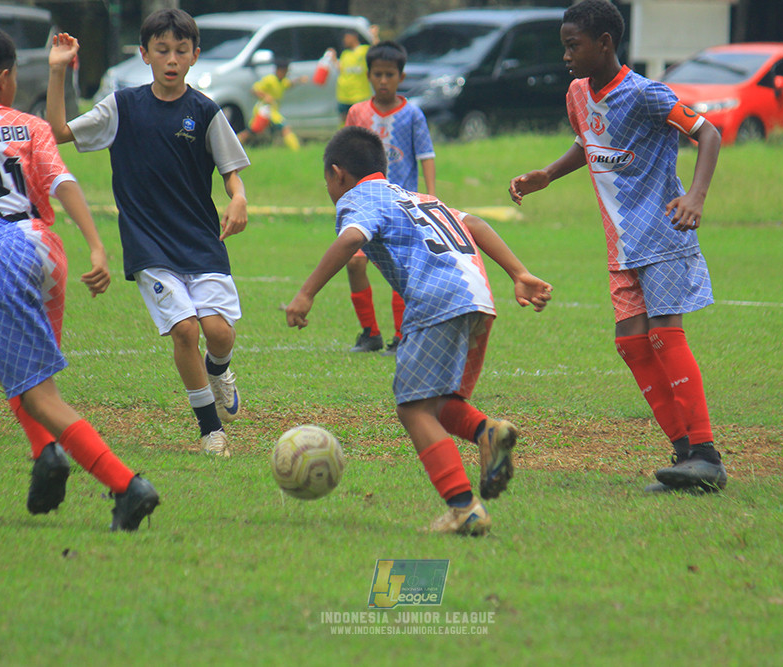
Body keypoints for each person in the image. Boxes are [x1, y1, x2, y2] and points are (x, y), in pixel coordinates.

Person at [0, 24, 159, 531]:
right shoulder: (29, 126)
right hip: (46, 249)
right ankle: (46, 454)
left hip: (0, 256)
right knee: (4, 368)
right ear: (5, 78)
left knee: (39, 396)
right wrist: (96, 244)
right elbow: (62, 181)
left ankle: (127, 487)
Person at [286, 126, 553, 535]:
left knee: (412, 408)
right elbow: (474, 224)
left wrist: (306, 294)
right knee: (438, 402)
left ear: (338, 174)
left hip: (437, 300)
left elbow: (351, 240)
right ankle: (488, 431)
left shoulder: (357, 199)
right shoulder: (415, 196)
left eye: (327, 181)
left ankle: (464, 508)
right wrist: (518, 272)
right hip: (476, 296)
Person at [508, 0, 726, 493]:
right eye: (564, 45)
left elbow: (708, 132)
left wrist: (695, 196)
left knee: (665, 336)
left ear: (604, 43)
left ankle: (706, 456)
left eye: (573, 45)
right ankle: (684, 456)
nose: (566, 55)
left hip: (665, 235)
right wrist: (549, 173)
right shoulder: (576, 94)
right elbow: (590, 142)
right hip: (622, 245)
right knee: (631, 343)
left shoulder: (647, 94)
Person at [46, 9, 251, 457]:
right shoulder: (122, 107)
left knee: (218, 334)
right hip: (149, 244)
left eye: (181, 50)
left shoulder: (206, 111)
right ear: (144, 54)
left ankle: (220, 371)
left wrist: (238, 197)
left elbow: (231, 171)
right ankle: (211, 430)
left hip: (200, 241)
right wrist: (59, 71)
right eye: (162, 50)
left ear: (195, 56)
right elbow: (59, 131)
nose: (171, 59)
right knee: (185, 332)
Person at [344, 41, 436, 355]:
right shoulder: (357, 112)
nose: (383, 80)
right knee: (355, 264)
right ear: (369, 75)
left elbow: (426, 155)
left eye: (390, 74)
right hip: (367, 205)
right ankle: (370, 333)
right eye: (378, 74)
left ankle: (401, 337)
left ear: (401, 76)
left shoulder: (413, 114)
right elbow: (346, 157)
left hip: (402, 207)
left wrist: (430, 196)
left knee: (401, 271)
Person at [236, 57, 309, 150]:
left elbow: (288, 84)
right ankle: (297, 150)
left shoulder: (282, 81)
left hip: (272, 111)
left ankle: (234, 145)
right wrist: (265, 96)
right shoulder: (269, 80)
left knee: (252, 132)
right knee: (284, 128)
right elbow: (254, 90)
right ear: (280, 70)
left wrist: (299, 80)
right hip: (265, 110)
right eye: (285, 71)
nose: (286, 74)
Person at [330, 27, 379, 124]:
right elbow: (341, 70)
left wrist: (374, 36)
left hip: (359, 95)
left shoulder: (364, 50)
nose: (344, 41)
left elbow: (378, 51)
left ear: (353, 37)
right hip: (343, 95)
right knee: (345, 121)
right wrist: (334, 59)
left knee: (360, 121)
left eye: (346, 38)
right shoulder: (345, 53)